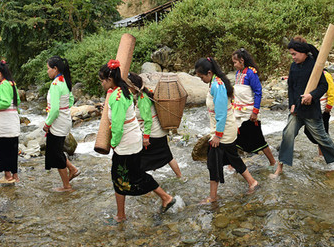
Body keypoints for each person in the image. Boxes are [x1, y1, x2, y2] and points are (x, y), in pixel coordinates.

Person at [100, 60, 176, 222]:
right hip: (133, 140)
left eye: (102, 80)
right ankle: (165, 197)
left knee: (118, 177)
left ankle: (121, 215)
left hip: (125, 143)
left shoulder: (118, 96)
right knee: (136, 174)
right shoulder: (123, 91)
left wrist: (113, 143)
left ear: (109, 79)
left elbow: (118, 126)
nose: (101, 84)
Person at [271, 39, 334, 178]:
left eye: (295, 54)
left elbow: (324, 86)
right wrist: (292, 104)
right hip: (297, 110)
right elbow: (291, 87)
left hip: (311, 110)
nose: (293, 57)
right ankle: (280, 167)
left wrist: (311, 96)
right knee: (287, 134)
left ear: (303, 53)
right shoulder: (293, 67)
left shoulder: (314, 65)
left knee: (321, 138)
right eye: (291, 54)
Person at [194, 57, 259, 202]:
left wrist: (217, 135)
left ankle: (213, 197)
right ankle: (252, 182)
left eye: (201, 76)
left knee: (213, 163)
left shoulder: (218, 86)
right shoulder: (215, 82)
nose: (201, 79)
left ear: (209, 73)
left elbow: (221, 113)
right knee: (232, 158)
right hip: (222, 130)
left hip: (223, 132)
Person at [127, 72, 183, 178]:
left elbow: (148, 120)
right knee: (168, 156)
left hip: (153, 135)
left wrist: (146, 137)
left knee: (140, 161)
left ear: (133, 86)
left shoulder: (143, 99)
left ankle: (145, 185)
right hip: (159, 132)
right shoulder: (144, 94)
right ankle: (180, 176)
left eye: (127, 86)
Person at [230, 49, 276, 167]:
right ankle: (233, 165)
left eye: (235, 62)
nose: (234, 65)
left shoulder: (251, 73)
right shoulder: (237, 74)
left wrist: (255, 111)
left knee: (258, 139)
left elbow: (258, 92)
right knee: (236, 138)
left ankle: (273, 162)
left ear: (242, 61)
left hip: (248, 113)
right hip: (238, 112)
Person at [43, 56, 80, 192]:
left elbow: (54, 110)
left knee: (56, 153)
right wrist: (64, 109)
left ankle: (66, 186)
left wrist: (47, 124)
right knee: (57, 150)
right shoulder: (64, 81)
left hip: (57, 123)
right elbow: (70, 100)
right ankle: (72, 169)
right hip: (65, 120)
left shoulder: (55, 85)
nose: (47, 71)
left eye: (48, 69)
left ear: (55, 69)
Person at [304, 68, 334, 157]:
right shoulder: (311, 75)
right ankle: (326, 152)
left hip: (323, 108)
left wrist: (329, 106)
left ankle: (323, 154)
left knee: (322, 133)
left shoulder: (326, 75)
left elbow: (331, 91)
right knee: (309, 131)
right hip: (313, 109)